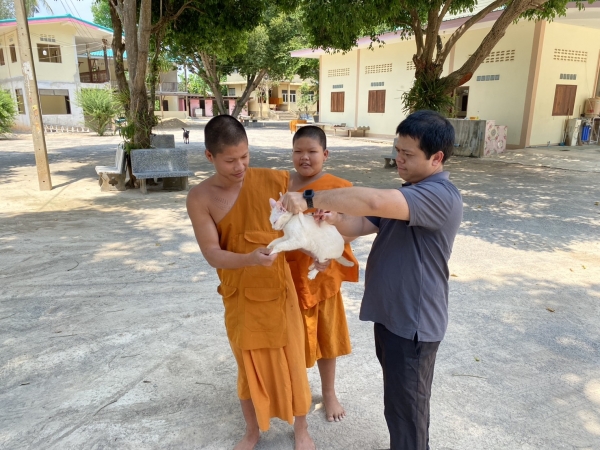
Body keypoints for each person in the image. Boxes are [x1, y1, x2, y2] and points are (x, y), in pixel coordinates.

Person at [281, 110, 463, 450]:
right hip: (393, 318)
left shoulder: (439, 195)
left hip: (414, 323)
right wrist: (334, 219)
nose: (399, 159)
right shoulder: (410, 192)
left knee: (408, 411)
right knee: (398, 405)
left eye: (408, 154)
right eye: (398, 150)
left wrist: (309, 198)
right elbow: (361, 224)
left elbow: (374, 200)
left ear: (436, 158)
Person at [186, 115, 315, 450]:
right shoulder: (200, 198)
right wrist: (249, 259)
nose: (240, 166)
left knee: (293, 361)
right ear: (210, 156)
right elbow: (212, 253)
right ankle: (252, 430)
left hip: (279, 292)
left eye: (245, 156)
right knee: (248, 365)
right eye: (230, 160)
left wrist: (317, 248)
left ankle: (301, 430)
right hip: (240, 295)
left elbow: (298, 226)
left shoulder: (272, 181)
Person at [286, 126, 359, 422]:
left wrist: (328, 245)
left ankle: (329, 393)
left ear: (325, 154)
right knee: (290, 337)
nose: (304, 157)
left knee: (326, 337)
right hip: (288, 272)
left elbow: (352, 229)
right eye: (298, 151)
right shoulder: (282, 184)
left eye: (312, 152)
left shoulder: (339, 188)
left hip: (322, 276)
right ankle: (295, 391)